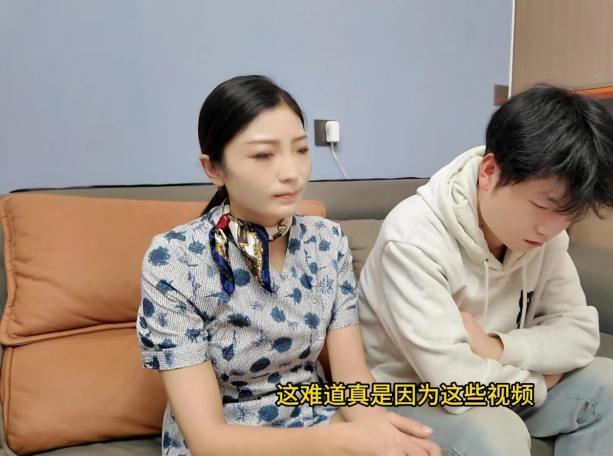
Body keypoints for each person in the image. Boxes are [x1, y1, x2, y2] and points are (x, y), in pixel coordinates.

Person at [136, 75, 439, 456]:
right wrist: (343, 440)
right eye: (264, 155)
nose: (292, 172)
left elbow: (351, 378)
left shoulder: (328, 242)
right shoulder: (175, 260)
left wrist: (381, 432)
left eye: (300, 150)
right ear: (214, 169)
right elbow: (207, 440)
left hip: (316, 419)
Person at [356, 84, 613, 455]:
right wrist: (538, 383)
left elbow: (581, 334)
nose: (550, 229)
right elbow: (455, 384)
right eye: (543, 205)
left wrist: (497, 347)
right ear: (489, 172)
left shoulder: (547, 239)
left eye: (569, 214)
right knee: (496, 433)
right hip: (412, 390)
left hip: (496, 379)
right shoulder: (413, 239)